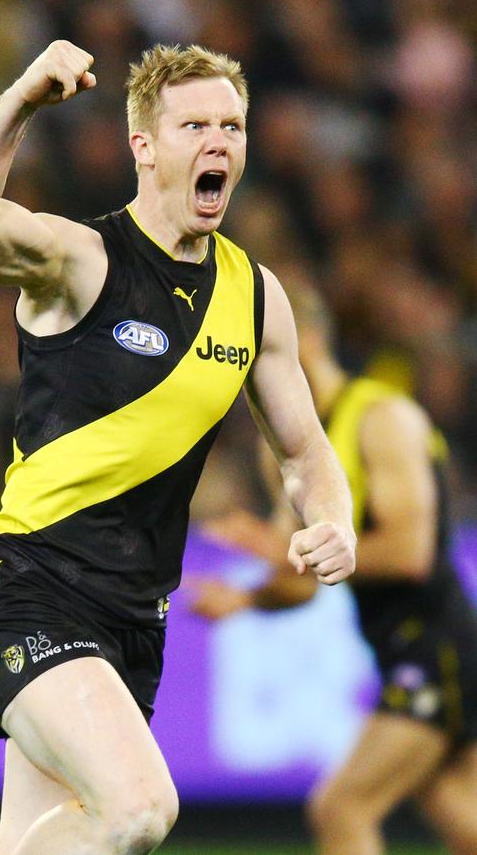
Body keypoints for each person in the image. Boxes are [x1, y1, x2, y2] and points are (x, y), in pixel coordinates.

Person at [0, 40, 356, 855]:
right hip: (29, 593)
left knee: (67, 834)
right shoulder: (81, 262)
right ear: (143, 147)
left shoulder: (256, 297)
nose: (218, 143)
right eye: (193, 124)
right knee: (138, 809)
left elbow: (304, 454)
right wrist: (21, 98)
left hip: (136, 623)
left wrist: (332, 518)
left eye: (232, 126)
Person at [189, 274, 477, 855]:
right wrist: (244, 600)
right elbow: (302, 588)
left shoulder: (381, 418)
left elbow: (411, 553)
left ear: (303, 339)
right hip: (402, 649)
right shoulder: (290, 452)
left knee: (342, 807)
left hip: (440, 649)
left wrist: (279, 548)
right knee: (458, 814)